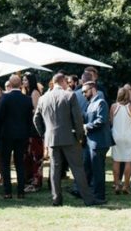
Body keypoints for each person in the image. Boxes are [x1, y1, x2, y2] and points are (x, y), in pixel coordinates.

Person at [33, 73, 101, 207]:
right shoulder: (70, 95)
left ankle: (56, 199)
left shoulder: (43, 98)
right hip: (70, 138)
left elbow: (36, 119)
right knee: (78, 169)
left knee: (54, 170)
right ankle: (88, 199)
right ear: (63, 81)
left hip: (52, 138)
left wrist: (44, 134)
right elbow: (77, 119)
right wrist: (80, 136)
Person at [0, 74, 32, 200]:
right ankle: (21, 191)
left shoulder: (5, 98)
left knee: (6, 164)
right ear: (20, 84)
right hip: (21, 135)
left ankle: (7, 192)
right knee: (19, 163)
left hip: (7, 135)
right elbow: (29, 120)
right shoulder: (27, 99)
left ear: (10, 85)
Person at [82, 80, 112, 203]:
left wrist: (86, 126)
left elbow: (102, 120)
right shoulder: (90, 104)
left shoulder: (101, 103)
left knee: (98, 171)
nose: (83, 94)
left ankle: (100, 196)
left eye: (85, 91)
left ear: (93, 90)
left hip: (99, 143)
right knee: (90, 169)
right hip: (91, 143)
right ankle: (92, 194)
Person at [110, 86, 131, 194]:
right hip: (129, 136)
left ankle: (117, 184)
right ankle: (126, 186)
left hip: (116, 137)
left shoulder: (113, 107)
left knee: (116, 161)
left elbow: (112, 122)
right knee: (128, 161)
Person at [21, 72, 44, 192]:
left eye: (25, 80)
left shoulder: (35, 93)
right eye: (23, 80)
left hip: (34, 129)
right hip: (27, 128)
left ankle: (36, 183)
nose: (23, 82)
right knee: (28, 157)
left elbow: (37, 111)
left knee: (36, 156)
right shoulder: (26, 92)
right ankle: (29, 180)